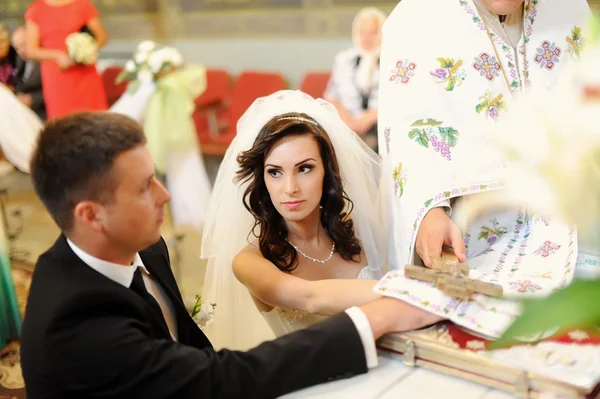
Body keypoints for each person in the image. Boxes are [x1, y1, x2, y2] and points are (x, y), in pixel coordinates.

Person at [21, 111, 440, 399]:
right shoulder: (76, 326)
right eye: (145, 186)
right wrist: (383, 315)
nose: (165, 195)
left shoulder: (147, 247)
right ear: (91, 216)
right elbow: (221, 380)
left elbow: (190, 349)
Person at [376, 0, 591, 338]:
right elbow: (403, 131)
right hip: (471, 229)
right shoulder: (416, 18)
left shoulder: (569, 10)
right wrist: (429, 211)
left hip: (565, 216)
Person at [201, 90, 440, 349]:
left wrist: (434, 213)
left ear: (327, 171)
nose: (290, 188)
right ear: (263, 180)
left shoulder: (360, 226)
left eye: (305, 168)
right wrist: (425, 291)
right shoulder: (249, 262)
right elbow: (311, 298)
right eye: (275, 172)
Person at [24, 0, 108, 119]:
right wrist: (58, 56)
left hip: (84, 72)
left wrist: (82, 52)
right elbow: (31, 50)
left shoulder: (83, 5)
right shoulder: (36, 9)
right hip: (57, 73)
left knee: (93, 117)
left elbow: (101, 37)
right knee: (63, 119)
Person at [324, 7, 386, 151]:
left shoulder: (393, 62)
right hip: (347, 125)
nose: (367, 38)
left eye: (373, 32)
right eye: (362, 32)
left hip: (380, 127)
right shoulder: (343, 59)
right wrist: (349, 121)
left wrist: (369, 118)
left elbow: (398, 98)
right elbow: (331, 97)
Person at [11, 25, 46, 121]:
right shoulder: (20, 60)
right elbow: (20, 82)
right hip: (25, 112)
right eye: (17, 48)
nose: (20, 51)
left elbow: (56, 89)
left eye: (23, 45)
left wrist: (32, 99)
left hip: (43, 112)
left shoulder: (44, 59)